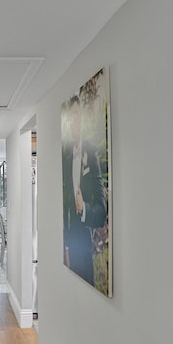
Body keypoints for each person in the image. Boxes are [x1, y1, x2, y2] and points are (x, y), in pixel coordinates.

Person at [62, 95, 107, 285]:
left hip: (83, 238)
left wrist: (84, 208)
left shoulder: (91, 153)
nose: (74, 120)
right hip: (67, 238)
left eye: (77, 115)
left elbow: (101, 211)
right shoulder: (65, 156)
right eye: (71, 116)